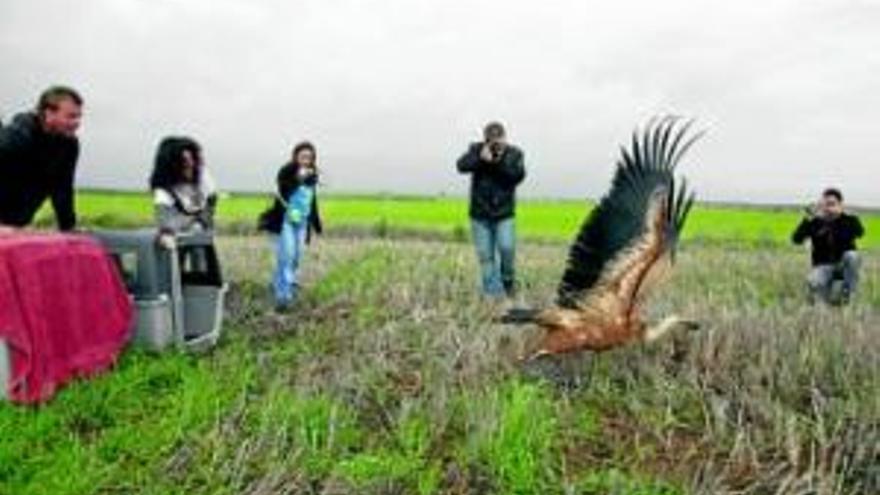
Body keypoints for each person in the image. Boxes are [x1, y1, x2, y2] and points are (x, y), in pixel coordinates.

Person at [456, 121, 526, 298]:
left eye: (498, 139)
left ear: (504, 138)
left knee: (507, 248)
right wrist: (480, 158)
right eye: (491, 139)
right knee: (486, 257)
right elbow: (461, 166)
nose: (495, 143)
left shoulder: (515, 154)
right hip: (480, 215)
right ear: (485, 139)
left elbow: (516, 176)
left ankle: (508, 281)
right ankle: (494, 295)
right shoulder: (477, 149)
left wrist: (497, 162)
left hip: (504, 215)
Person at [0, 86, 83, 231]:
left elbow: (62, 189)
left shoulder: (69, 145)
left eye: (78, 116)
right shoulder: (16, 137)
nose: (77, 123)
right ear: (49, 113)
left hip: (15, 225)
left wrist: (69, 228)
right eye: (71, 116)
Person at [259, 141, 323, 311]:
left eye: (309, 157)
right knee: (286, 256)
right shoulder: (286, 172)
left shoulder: (312, 176)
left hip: (302, 223)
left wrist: (316, 224)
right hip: (285, 221)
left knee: (295, 259)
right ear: (296, 157)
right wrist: (299, 178)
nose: (306, 160)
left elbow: (312, 202)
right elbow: (283, 189)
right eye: (303, 156)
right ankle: (284, 298)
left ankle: (279, 285)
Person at [792, 188, 864, 305]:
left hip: (843, 266)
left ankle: (848, 294)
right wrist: (807, 219)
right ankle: (828, 295)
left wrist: (844, 216)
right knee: (815, 288)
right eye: (824, 205)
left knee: (852, 256)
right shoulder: (815, 222)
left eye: (831, 204)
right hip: (823, 267)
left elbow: (860, 232)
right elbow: (796, 240)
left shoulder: (849, 220)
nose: (828, 208)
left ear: (840, 205)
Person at [148, 136, 218, 241]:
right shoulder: (164, 193)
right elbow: (166, 225)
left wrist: (201, 219)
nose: (192, 165)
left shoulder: (202, 178)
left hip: (200, 238)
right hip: (176, 241)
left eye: (194, 160)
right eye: (185, 162)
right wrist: (195, 218)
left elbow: (210, 206)